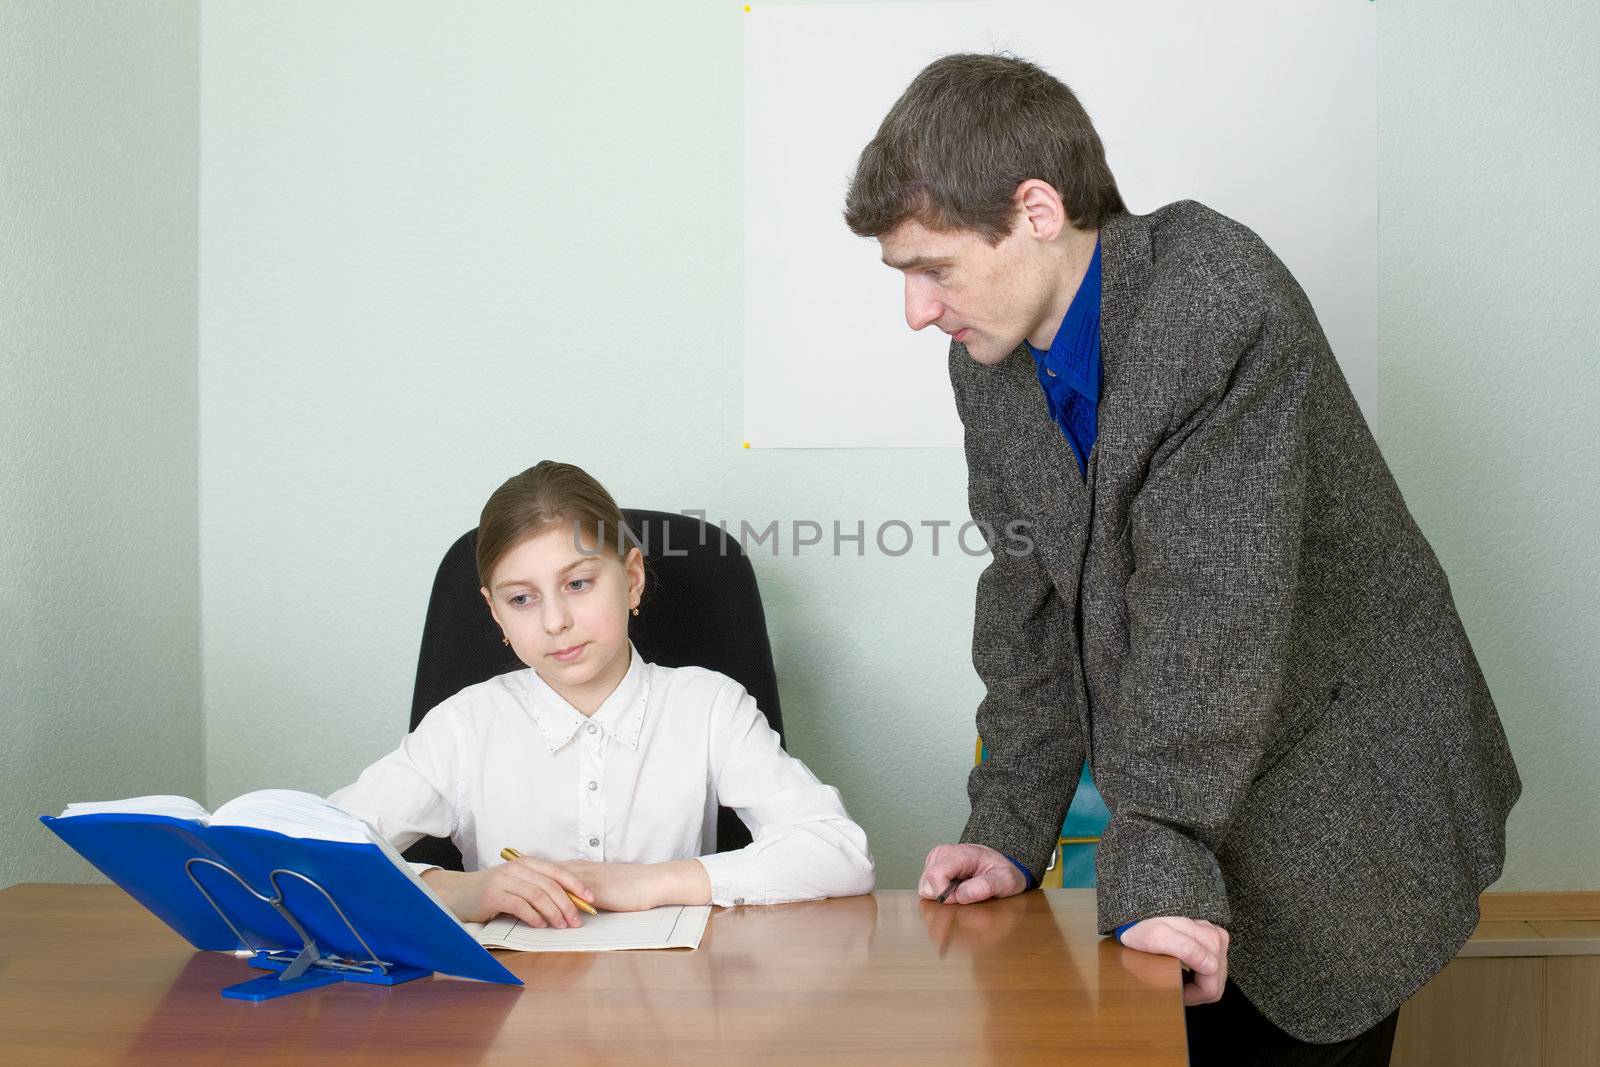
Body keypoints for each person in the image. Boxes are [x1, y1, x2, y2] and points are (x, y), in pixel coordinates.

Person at [843, 53, 1519, 1064]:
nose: (916, 309)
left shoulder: (1213, 297)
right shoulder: (986, 364)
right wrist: (1006, 826)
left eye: (931, 267)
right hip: (1197, 803)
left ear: (1035, 209)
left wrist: (1152, 866)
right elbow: (1029, 599)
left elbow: (1211, 617)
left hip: (1339, 793)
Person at [330, 460, 875, 929]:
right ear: (495, 612)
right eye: (521, 598)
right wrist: (460, 891)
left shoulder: (708, 707)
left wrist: (642, 884)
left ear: (632, 578)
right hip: (516, 1017)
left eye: (578, 584)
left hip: (673, 1007)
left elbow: (840, 854)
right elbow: (302, 854)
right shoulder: (465, 725)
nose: (554, 621)